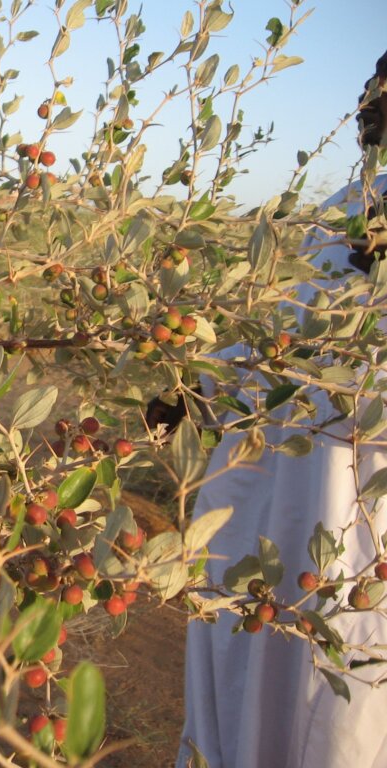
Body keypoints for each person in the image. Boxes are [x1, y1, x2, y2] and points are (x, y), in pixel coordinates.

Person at [177, 51, 387, 768]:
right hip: (272, 498)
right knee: (277, 677)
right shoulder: (339, 218)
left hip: (350, 518)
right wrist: (195, 393)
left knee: (339, 694)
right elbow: (263, 342)